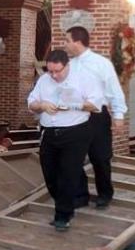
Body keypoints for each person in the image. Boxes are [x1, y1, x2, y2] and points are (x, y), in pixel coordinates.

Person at [27, 49, 104, 231]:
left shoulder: (84, 78)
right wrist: (41, 105)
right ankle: (72, 198)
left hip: (75, 131)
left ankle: (63, 215)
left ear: (67, 66)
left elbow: (96, 105)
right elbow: (31, 103)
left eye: (58, 71)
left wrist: (74, 104)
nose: (53, 75)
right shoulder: (44, 80)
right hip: (50, 132)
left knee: (67, 173)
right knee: (50, 174)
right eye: (50, 71)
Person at [64, 26, 128, 209]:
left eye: (67, 40)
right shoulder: (70, 66)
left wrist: (119, 115)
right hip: (75, 116)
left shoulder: (101, 64)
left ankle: (105, 194)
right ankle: (80, 195)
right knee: (73, 157)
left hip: (97, 117)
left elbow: (114, 90)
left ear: (77, 42)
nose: (65, 44)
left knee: (100, 157)